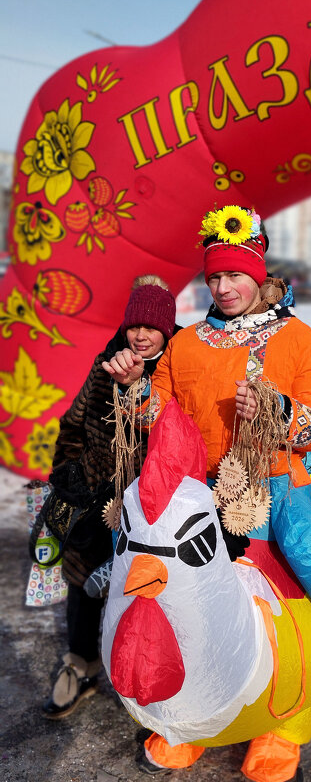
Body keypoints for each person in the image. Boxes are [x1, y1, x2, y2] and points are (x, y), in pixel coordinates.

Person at [102, 205, 311, 782]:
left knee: (296, 553)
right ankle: (192, 715)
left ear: (257, 271)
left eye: (233, 275)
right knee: (157, 576)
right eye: (214, 277)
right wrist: (132, 390)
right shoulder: (187, 343)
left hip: (269, 487)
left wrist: (278, 414)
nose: (223, 287)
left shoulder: (297, 339)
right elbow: (160, 417)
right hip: (200, 499)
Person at [42, 275, 178, 719]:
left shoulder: (175, 370)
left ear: (167, 330)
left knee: (147, 591)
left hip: (150, 508)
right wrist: (68, 472)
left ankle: (155, 681)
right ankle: (80, 665)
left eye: (151, 327)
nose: (140, 335)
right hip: (94, 495)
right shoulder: (106, 364)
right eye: (134, 325)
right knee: (81, 579)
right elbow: (73, 424)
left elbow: (177, 436)